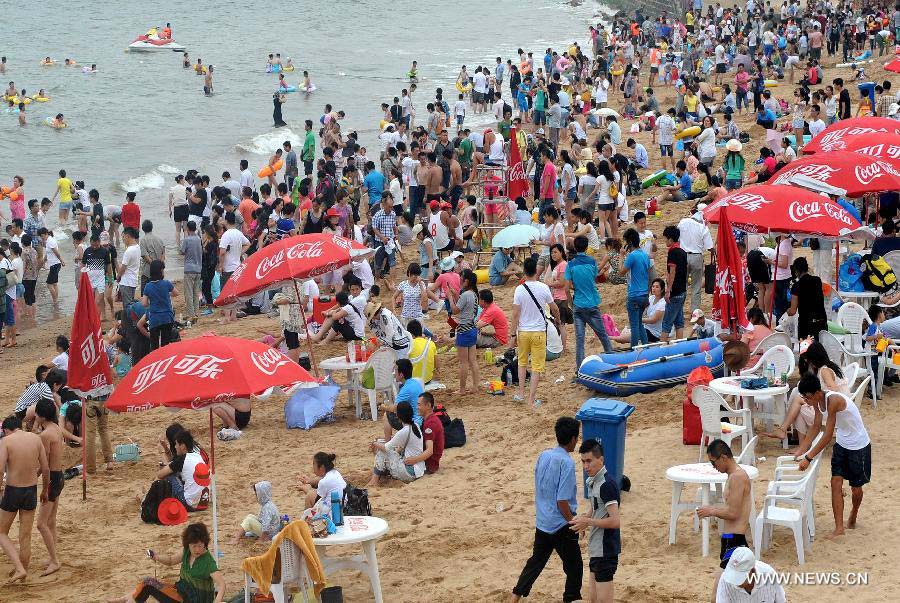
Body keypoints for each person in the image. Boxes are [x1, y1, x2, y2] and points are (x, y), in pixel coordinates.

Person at [510, 417, 582, 603]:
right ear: (573, 439)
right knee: (574, 567)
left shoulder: (544, 455)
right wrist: (573, 522)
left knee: (535, 563)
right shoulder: (567, 462)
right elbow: (562, 500)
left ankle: (515, 597)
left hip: (543, 521)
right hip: (560, 524)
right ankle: (570, 599)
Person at [796, 374, 871, 539]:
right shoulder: (816, 401)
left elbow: (828, 435)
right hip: (843, 442)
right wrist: (801, 450)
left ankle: (854, 512)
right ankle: (839, 527)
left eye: (807, 397)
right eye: (804, 397)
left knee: (856, 489)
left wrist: (808, 458)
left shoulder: (833, 401)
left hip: (859, 445)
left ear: (817, 392)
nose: (806, 401)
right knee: (835, 482)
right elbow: (815, 426)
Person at [112, 522, 225, 603]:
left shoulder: (208, 562)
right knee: (147, 582)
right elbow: (171, 561)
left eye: (200, 546)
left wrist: (218, 600)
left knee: (148, 584)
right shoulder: (187, 551)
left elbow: (222, 584)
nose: (197, 550)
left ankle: (131, 599)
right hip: (180, 592)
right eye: (193, 546)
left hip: (191, 600)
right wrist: (157, 557)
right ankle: (131, 598)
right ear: (188, 544)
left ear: (205, 543)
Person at [697, 439, 752, 599]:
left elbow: (734, 513)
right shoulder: (733, 476)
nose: (714, 467)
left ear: (723, 457)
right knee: (737, 593)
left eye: (714, 463)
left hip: (735, 542)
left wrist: (711, 510)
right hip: (729, 539)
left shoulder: (737, 477)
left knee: (717, 594)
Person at [569, 438, 621, 603]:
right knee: (593, 600)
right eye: (583, 461)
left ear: (601, 459)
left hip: (606, 550)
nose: (585, 466)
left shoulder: (606, 485)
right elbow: (596, 507)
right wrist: (585, 517)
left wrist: (588, 523)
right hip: (596, 548)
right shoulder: (594, 482)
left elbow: (615, 521)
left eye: (589, 461)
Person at [0, 414, 49, 583]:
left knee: (1, 532)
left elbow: (0, 469)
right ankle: (23, 574)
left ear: (6, 430)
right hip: (31, 489)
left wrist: (0, 487)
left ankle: (19, 569)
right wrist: (45, 490)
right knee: (25, 535)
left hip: (13, 490)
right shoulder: (35, 439)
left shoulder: (6, 441)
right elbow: (45, 467)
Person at [511, 257, 561, 407]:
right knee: (537, 367)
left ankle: (521, 394)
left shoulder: (519, 289)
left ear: (525, 272)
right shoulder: (543, 287)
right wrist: (558, 320)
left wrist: (513, 334)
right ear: (536, 272)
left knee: (522, 363)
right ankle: (532, 399)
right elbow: (554, 308)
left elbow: (515, 314)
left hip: (523, 332)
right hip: (539, 331)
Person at [566, 235, 612, 369]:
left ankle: (579, 368)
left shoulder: (571, 264)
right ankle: (611, 359)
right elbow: (594, 278)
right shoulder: (591, 261)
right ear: (586, 247)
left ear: (575, 247)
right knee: (603, 335)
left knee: (580, 340)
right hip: (592, 304)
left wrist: (571, 304)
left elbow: (566, 288)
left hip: (578, 305)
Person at [34, 399, 65, 576]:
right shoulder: (56, 429)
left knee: (41, 524)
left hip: (52, 478)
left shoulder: (45, 435)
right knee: (51, 521)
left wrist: (42, 486)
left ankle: (54, 560)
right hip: (59, 476)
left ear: (40, 415)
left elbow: (44, 464)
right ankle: (53, 555)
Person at [367, 400, 425, 486]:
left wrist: (374, 443)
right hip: (418, 469)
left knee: (382, 451)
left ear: (398, 415)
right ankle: (382, 472)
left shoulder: (403, 431)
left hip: (409, 472)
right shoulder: (415, 425)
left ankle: (374, 480)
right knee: (382, 444)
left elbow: (386, 448)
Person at [155, 430, 208, 512]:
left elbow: (160, 474)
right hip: (204, 503)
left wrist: (162, 453)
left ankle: (155, 501)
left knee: (169, 475)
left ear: (183, 446)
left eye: (176, 444)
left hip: (189, 504)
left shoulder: (182, 460)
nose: (175, 447)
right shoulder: (198, 456)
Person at [447, 269, 480, 393]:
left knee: (463, 363)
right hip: (472, 329)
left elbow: (455, 310)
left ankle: (462, 389)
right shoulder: (473, 294)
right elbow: (465, 305)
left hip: (463, 330)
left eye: (461, 279)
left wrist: (451, 298)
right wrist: (456, 295)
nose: (459, 281)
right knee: (473, 361)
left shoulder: (466, 295)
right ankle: (475, 387)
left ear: (466, 281)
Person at [716, 547, 787, 602]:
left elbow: (781, 600)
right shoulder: (725, 580)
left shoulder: (769, 574)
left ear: (752, 571)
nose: (735, 581)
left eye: (740, 577)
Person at [620, 228, 651, 347]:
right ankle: (645, 346)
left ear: (629, 243)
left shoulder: (632, 256)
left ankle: (633, 349)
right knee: (639, 324)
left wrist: (622, 256)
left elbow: (621, 272)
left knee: (634, 325)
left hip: (634, 295)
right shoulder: (645, 256)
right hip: (644, 295)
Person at [403, 392, 444, 474]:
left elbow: (429, 451)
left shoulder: (430, 424)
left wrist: (415, 460)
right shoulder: (430, 419)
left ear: (428, 405)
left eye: (419, 405)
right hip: (429, 462)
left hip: (428, 465)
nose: (417, 407)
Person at [141, 260, 179, 350]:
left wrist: (153, 300)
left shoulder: (148, 286)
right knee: (165, 344)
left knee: (154, 345)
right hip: (167, 317)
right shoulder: (166, 283)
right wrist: (167, 294)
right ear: (161, 271)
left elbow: (144, 304)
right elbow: (176, 293)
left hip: (155, 319)